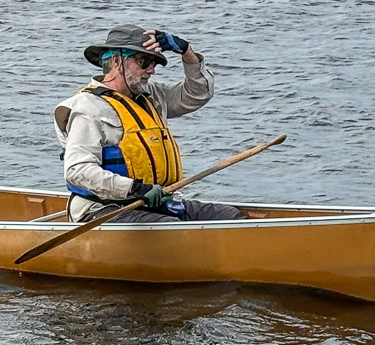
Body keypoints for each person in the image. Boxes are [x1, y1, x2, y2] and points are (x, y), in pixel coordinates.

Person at [53, 24, 243, 223]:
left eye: (154, 63)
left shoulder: (153, 96)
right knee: (172, 229)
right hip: (102, 209)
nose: (151, 70)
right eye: (144, 62)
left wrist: (186, 52)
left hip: (156, 203)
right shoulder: (87, 108)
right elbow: (77, 171)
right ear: (117, 61)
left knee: (229, 217)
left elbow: (198, 93)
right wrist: (135, 189)